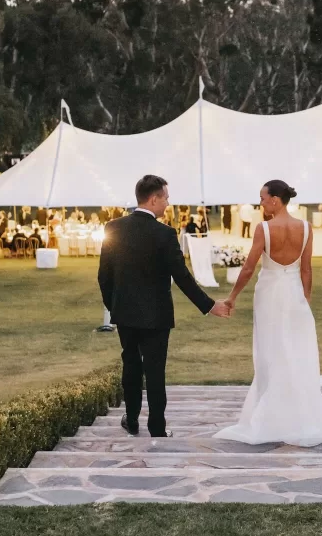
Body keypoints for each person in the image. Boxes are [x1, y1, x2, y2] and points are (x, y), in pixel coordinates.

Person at [214, 180, 322, 447]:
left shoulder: (264, 228)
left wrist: (232, 297)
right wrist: (304, 300)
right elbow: (306, 269)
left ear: (275, 200)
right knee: (295, 349)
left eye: (262, 198)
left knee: (270, 350)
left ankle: (270, 415)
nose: (260, 202)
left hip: (269, 295)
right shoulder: (306, 228)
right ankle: (298, 413)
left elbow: (249, 268)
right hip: (294, 293)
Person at [98, 175, 231, 438]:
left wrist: (115, 306)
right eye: (166, 198)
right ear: (154, 198)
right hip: (157, 316)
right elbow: (181, 276)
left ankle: (133, 420)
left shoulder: (113, 227)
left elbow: (104, 276)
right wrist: (209, 305)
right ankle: (156, 427)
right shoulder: (165, 234)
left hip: (125, 314)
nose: (168, 203)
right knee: (155, 371)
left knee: (131, 365)